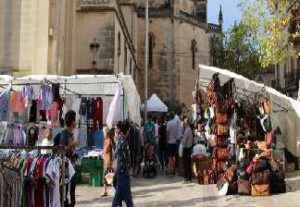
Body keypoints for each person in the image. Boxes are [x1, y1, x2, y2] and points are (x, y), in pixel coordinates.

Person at [112, 121, 134, 207]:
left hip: (120, 171)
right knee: (127, 197)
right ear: (127, 130)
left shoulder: (120, 140)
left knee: (119, 196)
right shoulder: (122, 141)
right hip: (122, 172)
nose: (115, 132)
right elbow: (120, 158)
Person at [60, 110, 78, 207]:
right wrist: (72, 144)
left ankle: (71, 203)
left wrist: (73, 147)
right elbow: (62, 149)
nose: (76, 122)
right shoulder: (64, 133)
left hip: (72, 164)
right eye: (75, 120)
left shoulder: (71, 134)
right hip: (66, 165)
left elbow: (70, 149)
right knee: (65, 189)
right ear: (72, 122)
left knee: (73, 187)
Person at [101, 128, 115, 197]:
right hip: (106, 160)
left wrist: (102, 153)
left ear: (107, 134)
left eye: (104, 133)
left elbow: (107, 150)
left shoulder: (109, 140)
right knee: (108, 175)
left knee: (107, 175)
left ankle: (105, 191)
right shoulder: (106, 140)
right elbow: (104, 150)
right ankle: (107, 190)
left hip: (108, 161)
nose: (103, 134)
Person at [181, 118, 194, 183]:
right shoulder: (190, 129)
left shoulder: (187, 130)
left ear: (186, 123)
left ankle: (186, 178)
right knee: (188, 163)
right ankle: (189, 178)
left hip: (186, 148)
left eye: (184, 123)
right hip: (189, 148)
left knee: (185, 163)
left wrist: (181, 139)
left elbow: (184, 140)